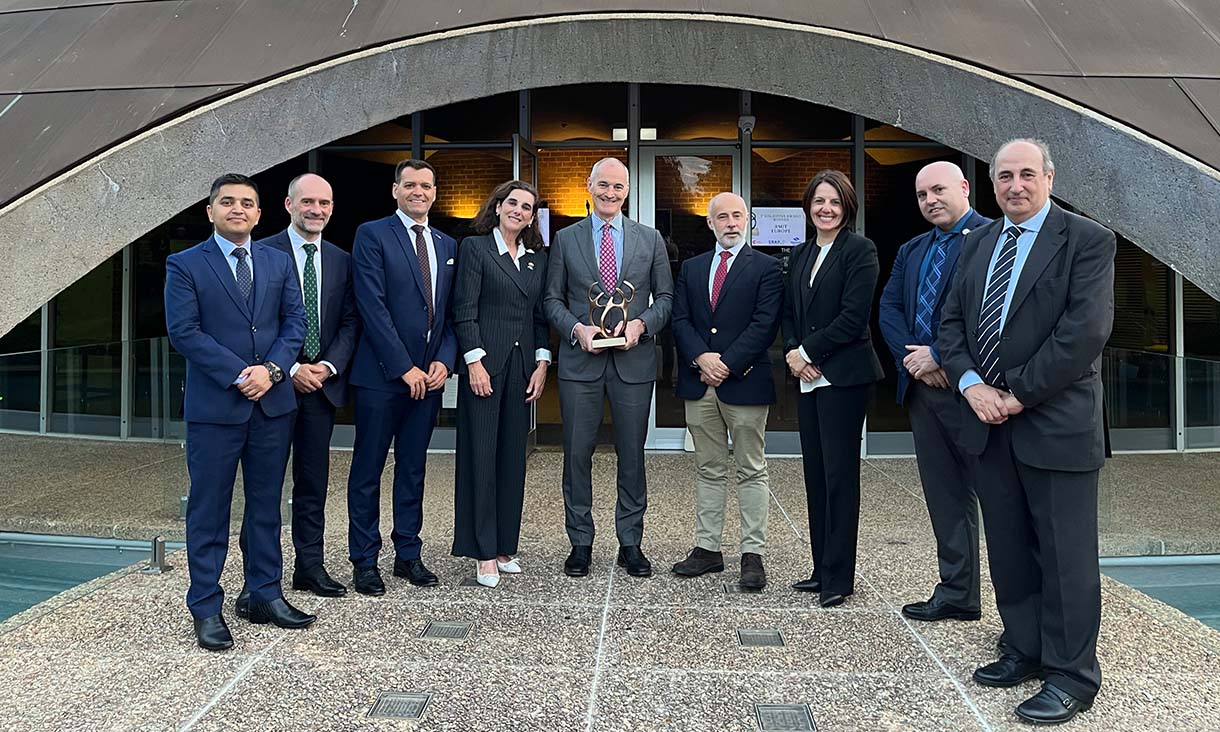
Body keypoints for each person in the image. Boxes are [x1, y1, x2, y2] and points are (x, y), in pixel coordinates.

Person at [939, 139, 1114, 725]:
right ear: (992, 185)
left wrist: (1014, 393)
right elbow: (950, 323)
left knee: (1065, 557)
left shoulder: (1088, 240)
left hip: (1054, 424)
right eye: (1005, 176)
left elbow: (1083, 333)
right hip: (987, 423)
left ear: (1049, 177)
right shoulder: (978, 241)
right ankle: (1024, 647)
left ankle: (1071, 675)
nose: (1016, 185)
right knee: (1010, 547)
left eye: (1027, 175)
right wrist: (971, 386)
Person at [164, 173, 313, 651]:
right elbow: (184, 332)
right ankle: (206, 606)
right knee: (209, 510)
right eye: (227, 202)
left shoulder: (277, 261)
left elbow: (295, 322)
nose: (238, 209)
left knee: (266, 506)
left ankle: (265, 594)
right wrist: (239, 374)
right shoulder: (185, 264)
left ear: (259, 213)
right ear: (210, 211)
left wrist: (271, 371)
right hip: (215, 408)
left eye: (247, 203)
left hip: (272, 405)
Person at [233, 174, 359, 618]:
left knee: (313, 483)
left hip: (321, 389)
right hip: (272, 387)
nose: (316, 209)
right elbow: (255, 323)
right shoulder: (261, 252)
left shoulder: (342, 260)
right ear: (288, 205)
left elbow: (351, 322)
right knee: (264, 488)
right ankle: (255, 580)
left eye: (324, 203)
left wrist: (326, 367)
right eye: (308, 201)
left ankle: (310, 566)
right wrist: (289, 368)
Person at [543, 157, 674, 578]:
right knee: (576, 454)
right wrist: (575, 329)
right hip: (581, 363)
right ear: (589, 185)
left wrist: (641, 324)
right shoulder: (565, 239)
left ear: (627, 191)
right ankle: (580, 542)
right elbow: (551, 299)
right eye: (603, 185)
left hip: (633, 363)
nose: (610, 193)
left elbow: (666, 299)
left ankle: (630, 542)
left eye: (618, 186)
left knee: (631, 455)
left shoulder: (650, 239)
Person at [878, 162, 991, 623]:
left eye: (939, 190)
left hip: (977, 391)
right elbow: (889, 307)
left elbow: (990, 310)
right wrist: (915, 362)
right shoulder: (913, 248)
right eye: (923, 195)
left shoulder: (992, 238)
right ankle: (958, 592)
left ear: (964, 187)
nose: (930, 200)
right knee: (945, 497)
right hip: (924, 393)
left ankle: (1022, 613)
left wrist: (940, 356)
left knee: (999, 500)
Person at [346, 159, 457, 596]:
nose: (418, 192)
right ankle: (365, 560)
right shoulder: (373, 235)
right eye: (410, 184)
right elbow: (371, 307)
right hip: (381, 378)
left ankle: (408, 553)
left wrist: (444, 361)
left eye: (426, 186)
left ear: (435, 192)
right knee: (368, 471)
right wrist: (403, 367)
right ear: (395, 190)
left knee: (413, 469)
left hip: (428, 380)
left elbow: (449, 313)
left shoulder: (446, 243)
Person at [781, 169, 884, 608]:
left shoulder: (860, 250)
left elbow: (854, 317)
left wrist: (808, 352)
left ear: (847, 207)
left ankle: (839, 578)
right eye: (819, 201)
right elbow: (789, 311)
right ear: (808, 206)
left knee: (840, 477)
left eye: (835, 202)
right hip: (808, 378)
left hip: (844, 378)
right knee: (816, 474)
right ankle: (820, 568)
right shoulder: (801, 253)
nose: (826, 209)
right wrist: (793, 351)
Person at [670, 192, 782, 590]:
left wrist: (726, 364)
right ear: (710, 223)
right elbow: (680, 320)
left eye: (737, 215)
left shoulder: (767, 267)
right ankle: (707, 549)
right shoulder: (693, 267)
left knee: (752, 468)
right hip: (700, 383)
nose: (731, 223)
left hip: (745, 382)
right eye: (722, 217)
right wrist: (702, 358)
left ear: (747, 220)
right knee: (708, 468)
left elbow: (765, 324)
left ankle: (752, 554)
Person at [452, 180, 551, 587]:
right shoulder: (475, 249)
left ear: (531, 218)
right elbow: (464, 310)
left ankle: (505, 545)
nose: (518, 211)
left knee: (512, 459)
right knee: (481, 458)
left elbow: (539, 317)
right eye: (512, 203)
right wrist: (474, 362)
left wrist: (542, 363)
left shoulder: (536, 259)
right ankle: (483, 551)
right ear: (496, 206)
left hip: (521, 369)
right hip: (485, 368)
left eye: (527, 207)